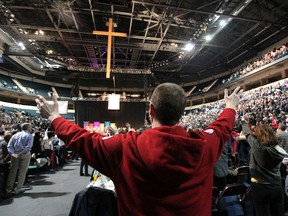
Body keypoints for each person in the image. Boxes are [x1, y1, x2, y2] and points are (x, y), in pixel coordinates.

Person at [36, 83, 243, 215]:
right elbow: (222, 127)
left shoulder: (125, 148)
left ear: (150, 110)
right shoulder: (204, 146)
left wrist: (55, 117)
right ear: (181, 114)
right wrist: (230, 106)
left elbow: (82, 139)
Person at [241, 116, 288, 216]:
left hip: (260, 187)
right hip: (277, 186)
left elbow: (247, 134)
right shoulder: (278, 150)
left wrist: (243, 122)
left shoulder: (257, 147)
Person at [5, 123, 33, 195]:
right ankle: (18, 189)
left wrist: (13, 153)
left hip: (15, 154)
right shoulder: (29, 135)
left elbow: (9, 146)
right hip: (24, 154)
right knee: (22, 172)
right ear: (29, 128)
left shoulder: (15, 135)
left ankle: (8, 189)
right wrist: (19, 153)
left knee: (12, 171)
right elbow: (28, 147)